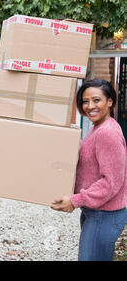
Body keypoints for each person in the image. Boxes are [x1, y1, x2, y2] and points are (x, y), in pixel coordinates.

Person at [52, 79, 127, 261]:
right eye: (85, 101)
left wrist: (76, 200)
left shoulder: (106, 133)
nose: (89, 106)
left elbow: (110, 183)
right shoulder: (98, 128)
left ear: (110, 101)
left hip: (105, 214)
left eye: (96, 100)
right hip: (97, 212)